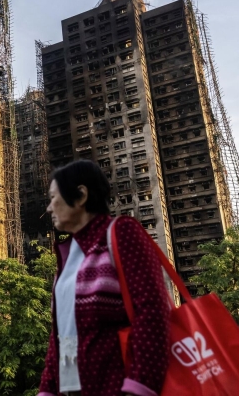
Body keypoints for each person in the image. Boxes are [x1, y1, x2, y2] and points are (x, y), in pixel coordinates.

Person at [38, 160, 170, 396]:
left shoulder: (121, 234)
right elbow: (61, 333)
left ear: (81, 196)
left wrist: (140, 387)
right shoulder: (67, 254)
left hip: (116, 387)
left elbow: (152, 311)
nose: (49, 208)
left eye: (53, 198)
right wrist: (47, 389)